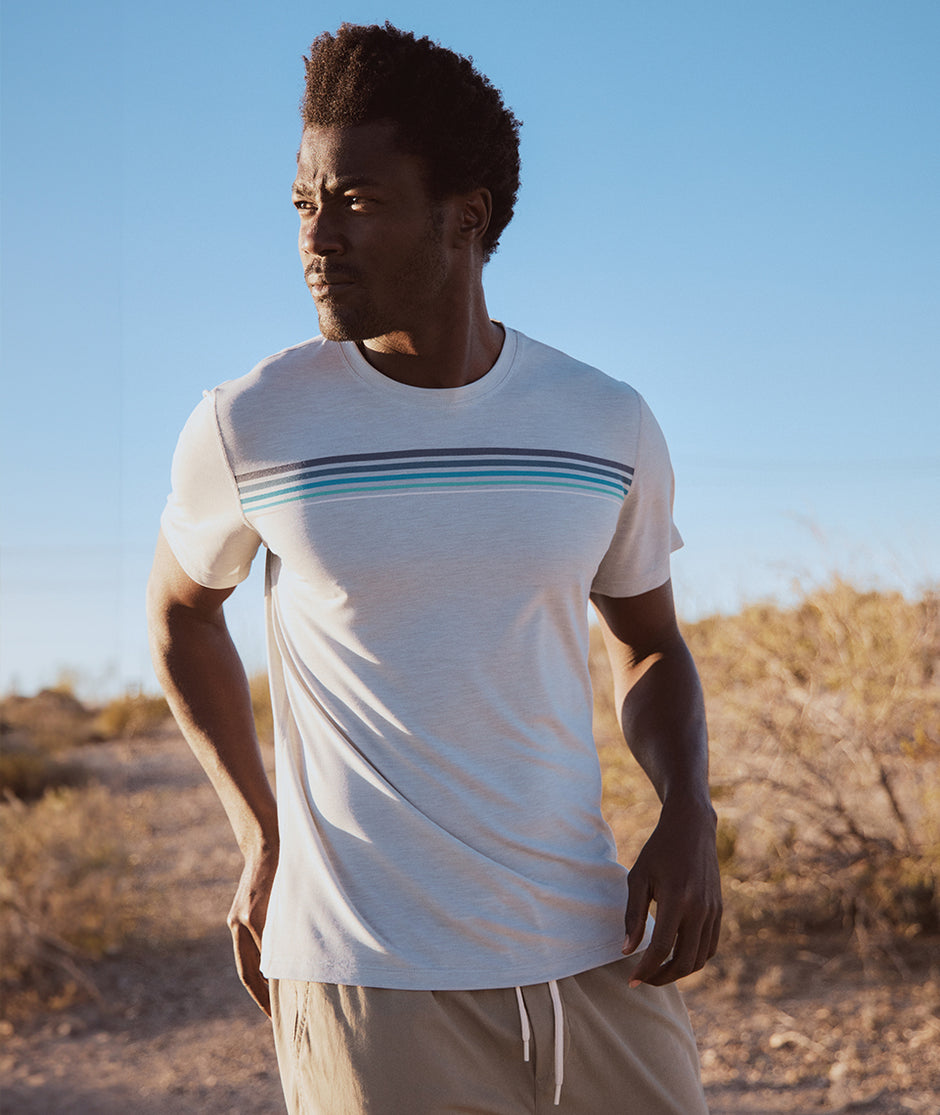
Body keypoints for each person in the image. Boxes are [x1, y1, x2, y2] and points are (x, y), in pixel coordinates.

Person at [147, 22, 721, 1115]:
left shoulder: (603, 422)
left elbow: (649, 640)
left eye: (357, 202)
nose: (318, 237)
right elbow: (180, 613)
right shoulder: (251, 424)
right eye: (304, 203)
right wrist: (262, 833)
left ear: (467, 217)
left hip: (593, 949)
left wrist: (689, 809)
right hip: (366, 978)